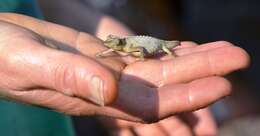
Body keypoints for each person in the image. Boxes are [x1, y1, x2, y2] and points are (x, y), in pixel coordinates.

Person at [0, 1, 250, 136]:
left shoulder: (128, 47)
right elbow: (115, 49)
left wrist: (69, 13)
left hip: (155, 45)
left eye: (114, 46)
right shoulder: (120, 47)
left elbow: (140, 51)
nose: (112, 47)